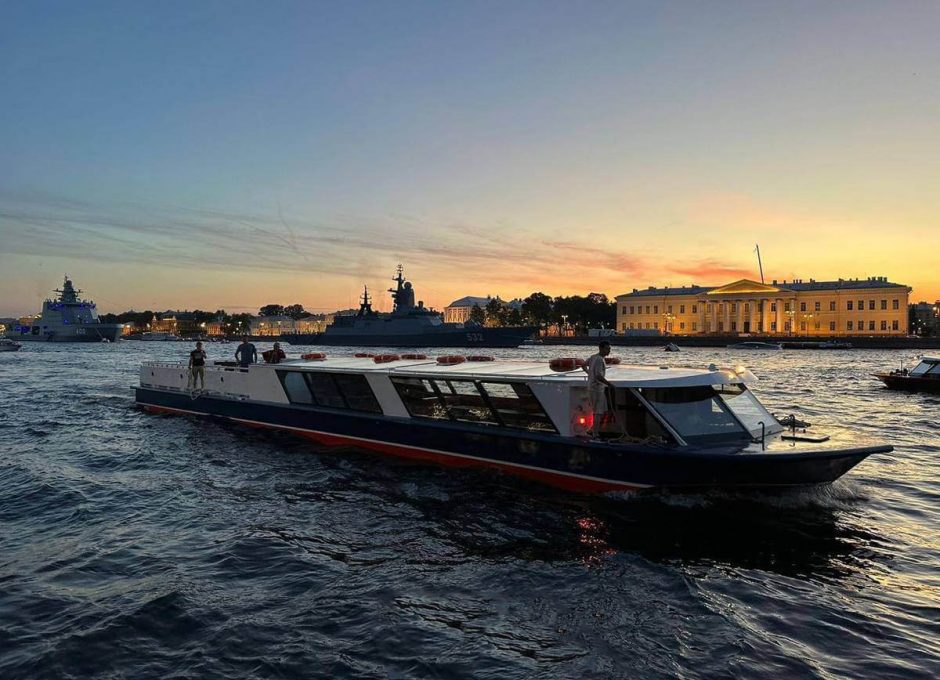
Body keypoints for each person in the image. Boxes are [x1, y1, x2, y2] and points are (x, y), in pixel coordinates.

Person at [583, 340, 612, 437]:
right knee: (598, 412)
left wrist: (589, 373)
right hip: (597, 388)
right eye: (607, 349)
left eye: (609, 349)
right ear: (601, 348)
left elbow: (583, 365)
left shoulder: (593, 357)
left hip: (592, 387)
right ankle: (594, 433)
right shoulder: (599, 359)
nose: (609, 351)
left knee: (596, 411)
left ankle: (593, 430)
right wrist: (609, 384)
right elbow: (598, 376)